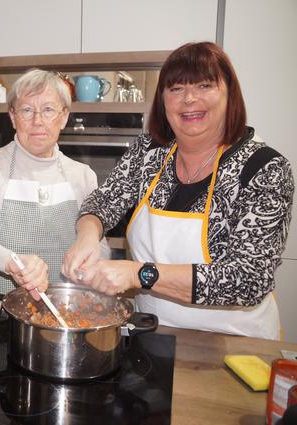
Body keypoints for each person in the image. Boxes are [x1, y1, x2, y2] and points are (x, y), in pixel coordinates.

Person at [62, 42, 294, 340]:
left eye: (204, 85)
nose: (189, 99)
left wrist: (138, 273)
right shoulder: (149, 152)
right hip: (153, 333)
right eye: (176, 89)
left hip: (236, 345)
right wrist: (87, 235)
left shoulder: (264, 168)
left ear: (229, 94)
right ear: (163, 100)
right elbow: (104, 201)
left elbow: (249, 278)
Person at [0, 69, 109, 300]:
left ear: (64, 117)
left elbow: (99, 246)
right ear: (13, 117)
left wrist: (92, 267)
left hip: (65, 312)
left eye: (48, 110)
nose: (37, 121)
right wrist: (7, 261)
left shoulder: (82, 176)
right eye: (27, 110)